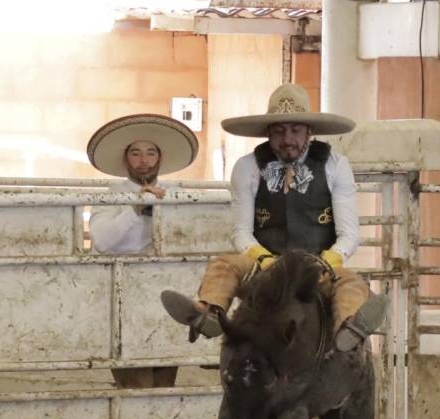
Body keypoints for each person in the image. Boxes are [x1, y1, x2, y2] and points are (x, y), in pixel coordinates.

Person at [159, 83, 385, 349]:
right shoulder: (247, 167)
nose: (287, 139)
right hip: (265, 267)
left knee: (351, 283)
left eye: (295, 130)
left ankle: (348, 328)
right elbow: (241, 231)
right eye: (278, 131)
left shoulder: (336, 166)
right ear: (268, 133)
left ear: (309, 132)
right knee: (223, 265)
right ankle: (209, 312)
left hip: (317, 268)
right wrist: (264, 259)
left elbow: (349, 234)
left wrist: (328, 262)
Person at [85, 113, 198, 389]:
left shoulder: (175, 192)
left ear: (160, 158)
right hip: (124, 295)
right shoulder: (112, 194)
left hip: (164, 293)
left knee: (164, 380)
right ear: (126, 159)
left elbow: (190, 235)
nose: (143, 160)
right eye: (135, 153)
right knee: (134, 381)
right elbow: (101, 241)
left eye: (150, 153)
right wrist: (135, 208)